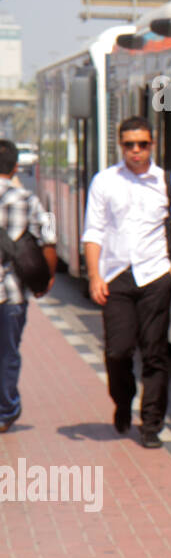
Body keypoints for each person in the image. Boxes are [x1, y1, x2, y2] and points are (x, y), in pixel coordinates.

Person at [82, 116, 171, 448]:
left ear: (152, 145)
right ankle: (123, 400)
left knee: (155, 353)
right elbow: (93, 231)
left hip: (155, 276)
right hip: (116, 276)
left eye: (142, 144)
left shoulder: (168, 182)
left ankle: (151, 424)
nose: (136, 150)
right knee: (118, 351)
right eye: (129, 144)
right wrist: (94, 275)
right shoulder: (105, 181)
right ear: (121, 145)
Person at [0, 140, 57, 433]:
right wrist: (46, 278)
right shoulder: (30, 199)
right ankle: (5, 410)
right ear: (15, 167)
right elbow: (49, 236)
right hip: (12, 294)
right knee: (8, 353)